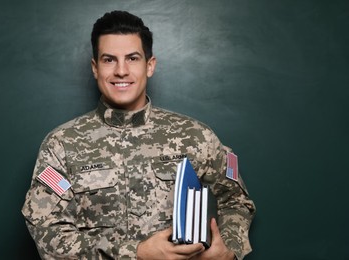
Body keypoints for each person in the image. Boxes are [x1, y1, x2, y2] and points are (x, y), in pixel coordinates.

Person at [22, 10, 256, 259]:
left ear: (150, 65)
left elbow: (235, 201)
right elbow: (46, 230)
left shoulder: (196, 137)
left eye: (132, 58)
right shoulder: (61, 145)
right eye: (109, 60)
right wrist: (135, 254)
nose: (121, 71)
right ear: (95, 68)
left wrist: (228, 248)